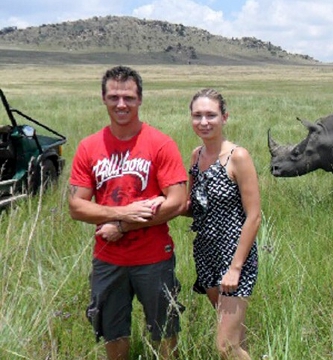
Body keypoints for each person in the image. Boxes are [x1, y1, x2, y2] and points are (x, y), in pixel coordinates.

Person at [68, 65, 188, 360]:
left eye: (129, 97)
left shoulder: (160, 144)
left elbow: (178, 200)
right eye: (114, 97)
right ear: (103, 99)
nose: (121, 104)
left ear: (140, 99)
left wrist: (122, 225)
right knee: (113, 333)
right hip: (108, 259)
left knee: (164, 331)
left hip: (154, 258)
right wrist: (124, 211)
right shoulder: (89, 147)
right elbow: (76, 206)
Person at [184, 88, 261, 360]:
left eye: (211, 115)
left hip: (234, 255)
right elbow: (190, 206)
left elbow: (254, 216)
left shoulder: (237, 157)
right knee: (234, 338)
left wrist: (235, 268)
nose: (204, 122)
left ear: (224, 117)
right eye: (197, 115)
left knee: (225, 347)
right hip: (205, 253)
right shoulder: (196, 156)